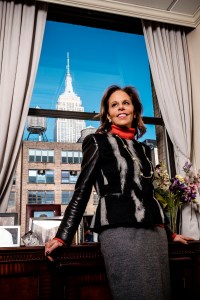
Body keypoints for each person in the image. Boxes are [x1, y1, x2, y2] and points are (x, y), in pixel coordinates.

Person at [45, 85, 193, 300]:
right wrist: (63, 236)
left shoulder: (144, 149)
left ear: (134, 110)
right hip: (119, 230)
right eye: (114, 105)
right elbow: (82, 189)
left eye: (126, 103)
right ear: (107, 113)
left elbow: (148, 194)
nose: (121, 108)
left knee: (160, 292)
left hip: (155, 233)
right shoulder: (96, 141)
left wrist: (170, 233)